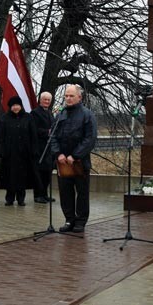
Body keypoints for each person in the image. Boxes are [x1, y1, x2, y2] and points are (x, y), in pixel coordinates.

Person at [51, 85, 97, 233]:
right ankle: (69, 219)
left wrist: (75, 155)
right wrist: (58, 154)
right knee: (65, 192)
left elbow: (90, 139)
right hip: (63, 162)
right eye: (66, 96)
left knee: (82, 193)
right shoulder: (60, 115)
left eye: (71, 96)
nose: (68, 99)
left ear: (79, 97)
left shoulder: (87, 114)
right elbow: (52, 137)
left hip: (80, 162)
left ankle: (80, 221)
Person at [0, 96, 38, 206]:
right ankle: (9, 198)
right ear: (10, 107)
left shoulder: (28, 118)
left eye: (17, 105)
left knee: (22, 177)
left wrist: (34, 150)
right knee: (9, 176)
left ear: (21, 106)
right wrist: (0, 151)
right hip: (9, 153)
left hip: (24, 153)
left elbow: (33, 135)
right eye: (13, 106)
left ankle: (21, 198)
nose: (15, 107)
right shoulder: (4, 118)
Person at [31, 92, 55, 204]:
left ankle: (45, 194)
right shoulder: (35, 113)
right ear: (40, 100)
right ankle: (38, 195)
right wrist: (47, 132)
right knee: (39, 173)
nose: (46, 102)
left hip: (49, 148)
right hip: (39, 148)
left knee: (47, 172)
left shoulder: (50, 113)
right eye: (45, 99)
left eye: (48, 100)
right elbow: (34, 130)